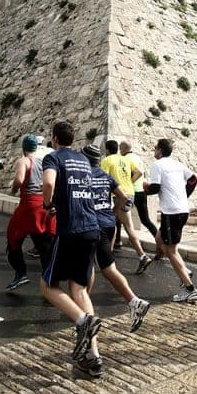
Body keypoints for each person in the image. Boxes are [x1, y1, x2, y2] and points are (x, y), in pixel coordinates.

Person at [40, 121, 104, 378]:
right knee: (78, 288)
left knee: (47, 285)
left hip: (71, 230)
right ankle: (93, 356)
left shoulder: (53, 158)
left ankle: (82, 321)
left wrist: (48, 204)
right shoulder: (83, 160)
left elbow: (48, 184)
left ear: (55, 139)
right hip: (92, 228)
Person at [83, 144, 151, 333]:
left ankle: (84, 309)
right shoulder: (105, 176)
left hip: (92, 225)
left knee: (91, 265)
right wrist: (112, 212)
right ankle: (133, 302)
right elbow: (124, 197)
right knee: (106, 266)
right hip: (108, 224)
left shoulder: (84, 176)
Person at [143, 138, 197, 303]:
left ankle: (190, 289)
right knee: (159, 239)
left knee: (171, 251)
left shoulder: (157, 165)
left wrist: (143, 188)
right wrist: (184, 196)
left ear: (160, 150)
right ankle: (185, 271)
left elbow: (155, 187)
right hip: (181, 210)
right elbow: (194, 179)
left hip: (171, 213)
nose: (154, 151)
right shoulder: (178, 164)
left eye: (155, 148)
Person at [5, 134, 55, 291]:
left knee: (13, 239)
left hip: (29, 205)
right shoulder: (45, 162)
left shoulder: (24, 161)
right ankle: (50, 281)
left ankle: (20, 273)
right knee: (44, 244)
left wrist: (13, 189)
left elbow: (19, 179)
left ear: (23, 147)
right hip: (44, 204)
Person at [101, 139, 151, 273]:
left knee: (128, 228)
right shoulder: (126, 159)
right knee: (113, 222)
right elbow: (139, 172)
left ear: (107, 149)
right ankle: (109, 256)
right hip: (130, 192)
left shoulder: (106, 161)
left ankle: (142, 256)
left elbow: (103, 179)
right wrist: (129, 181)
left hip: (118, 195)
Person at [120, 140, 160, 262]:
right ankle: (160, 245)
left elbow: (138, 173)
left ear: (122, 149)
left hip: (130, 193)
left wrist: (128, 183)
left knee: (119, 217)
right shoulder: (138, 158)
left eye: (120, 149)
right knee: (146, 220)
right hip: (141, 192)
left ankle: (116, 242)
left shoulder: (125, 159)